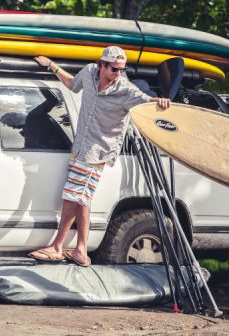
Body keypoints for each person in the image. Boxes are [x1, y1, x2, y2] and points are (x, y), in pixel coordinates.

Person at [28, 46, 170, 266]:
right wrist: (52, 65)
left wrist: (161, 102)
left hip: (98, 152)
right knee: (82, 199)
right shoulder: (88, 72)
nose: (118, 74)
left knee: (72, 196)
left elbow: (145, 102)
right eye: (114, 69)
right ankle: (81, 251)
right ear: (102, 65)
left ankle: (57, 247)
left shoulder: (125, 89)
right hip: (80, 147)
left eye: (122, 69)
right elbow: (73, 84)